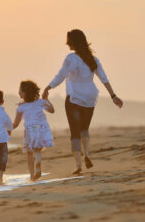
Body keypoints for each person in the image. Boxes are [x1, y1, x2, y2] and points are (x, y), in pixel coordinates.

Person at [42, 29, 123, 175]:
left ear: (72, 42)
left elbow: (61, 76)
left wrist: (48, 87)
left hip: (74, 98)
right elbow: (104, 78)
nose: (67, 44)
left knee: (74, 131)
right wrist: (113, 96)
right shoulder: (93, 59)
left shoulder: (71, 59)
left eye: (68, 41)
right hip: (90, 98)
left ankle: (78, 164)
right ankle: (86, 154)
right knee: (84, 129)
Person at [13, 81, 54, 181]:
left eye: (20, 90)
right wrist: (46, 99)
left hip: (31, 129)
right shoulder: (40, 102)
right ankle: (38, 164)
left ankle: (32, 175)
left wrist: (6, 129)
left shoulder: (21, 107)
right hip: (41, 127)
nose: (18, 92)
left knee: (29, 152)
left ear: (24, 93)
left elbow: (16, 124)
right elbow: (52, 110)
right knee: (37, 150)